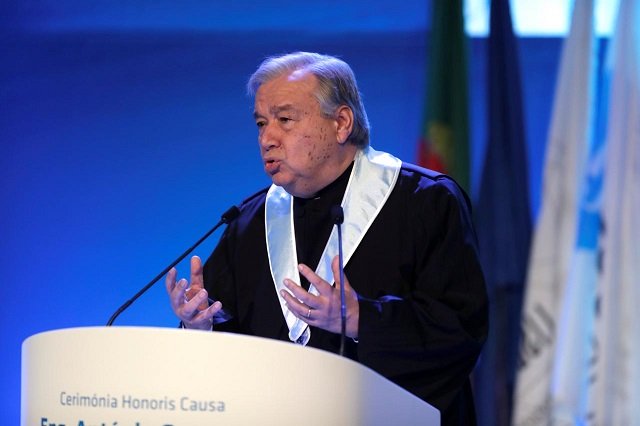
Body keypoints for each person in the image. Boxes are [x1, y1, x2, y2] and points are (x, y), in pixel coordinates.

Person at [166, 52, 488, 425]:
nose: (267, 138)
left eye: (284, 120)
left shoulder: (426, 202)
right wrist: (200, 326)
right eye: (260, 123)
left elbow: (461, 331)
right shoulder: (249, 221)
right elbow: (234, 354)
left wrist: (360, 319)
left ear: (341, 123)